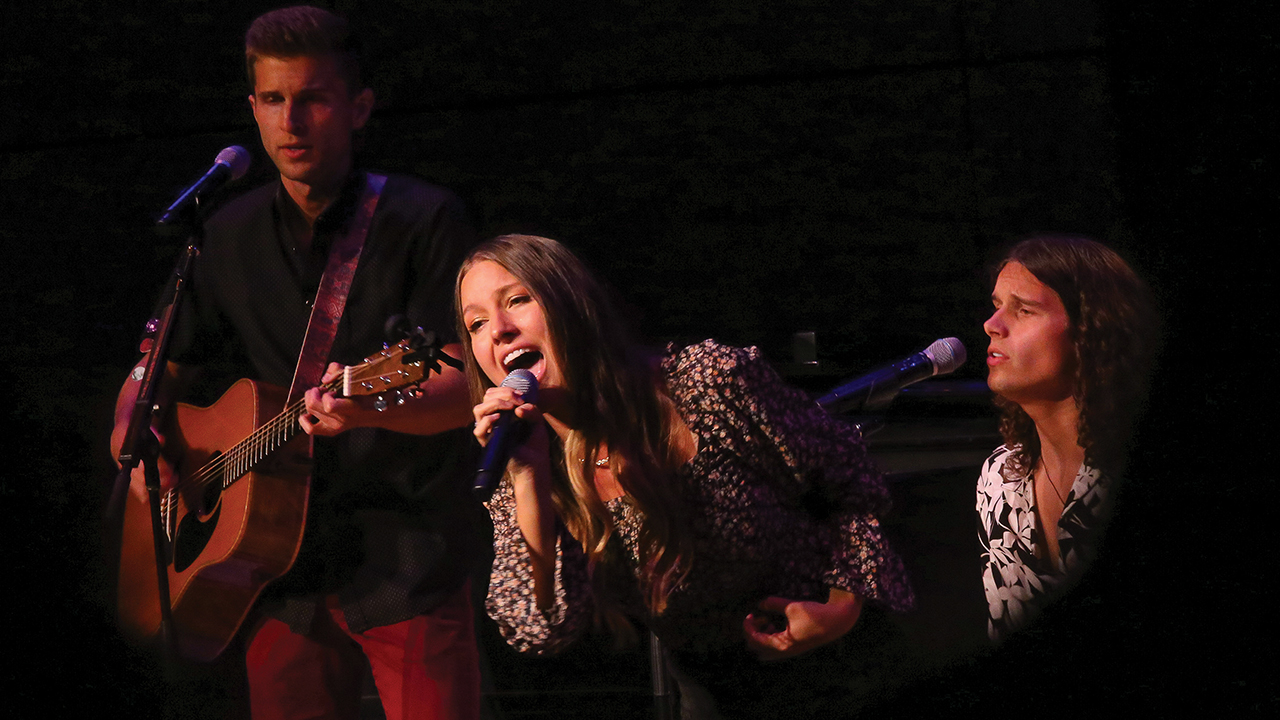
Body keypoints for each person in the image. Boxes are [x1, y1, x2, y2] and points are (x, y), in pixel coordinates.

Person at [110, 7, 486, 719]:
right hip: (275, 569)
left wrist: (366, 403)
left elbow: (467, 382)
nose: (292, 122)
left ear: (359, 108)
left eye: (313, 99)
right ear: (252, 109)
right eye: (275, 101)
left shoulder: (425, 219)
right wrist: (138, 438)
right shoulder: (222, 233)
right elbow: (153, 370)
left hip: (407, 551)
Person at [456, 234, 913, 718]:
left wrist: (842, 607)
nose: (499, 330)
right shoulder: (524, 461)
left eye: (518, 300)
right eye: (477, 323)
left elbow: (854, 482)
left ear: (572, 303)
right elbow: (539, 631)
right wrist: (529, 480)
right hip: (714, 692)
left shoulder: (707, 382)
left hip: (843, 664)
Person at [977, 234, 1158, 642]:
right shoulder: (999, 477)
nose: (992, 325)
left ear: (1090, 331)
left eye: (1023, 310)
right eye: (996, 306)